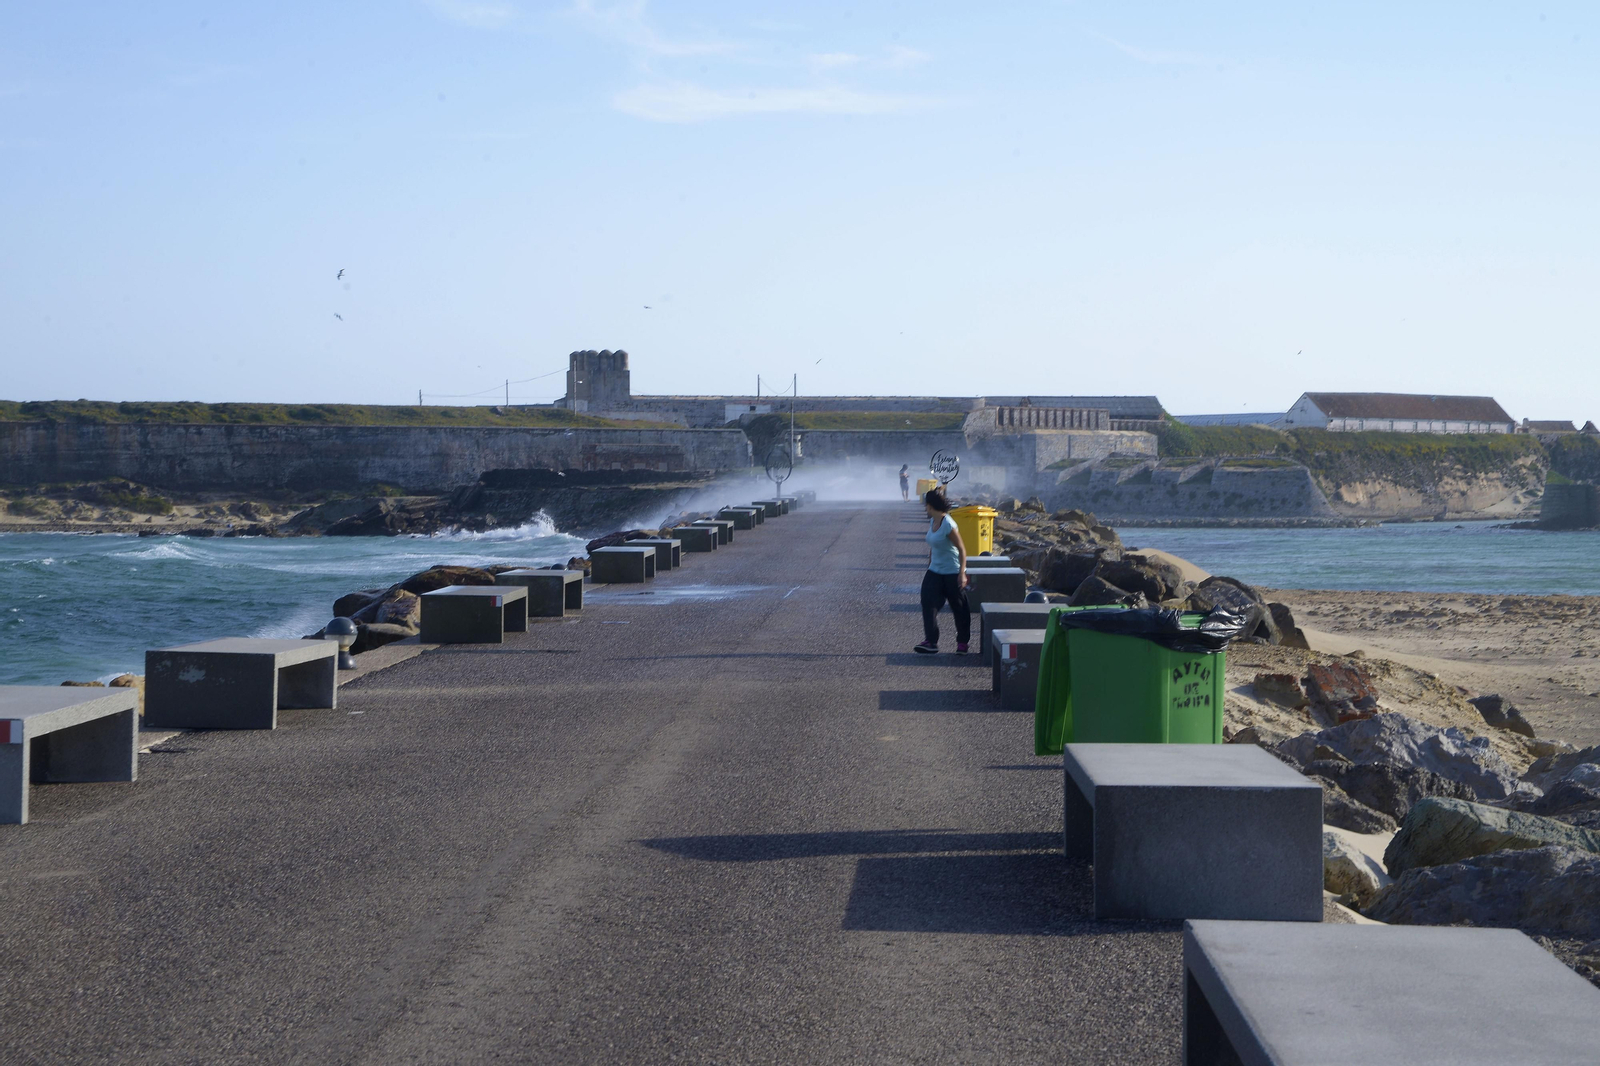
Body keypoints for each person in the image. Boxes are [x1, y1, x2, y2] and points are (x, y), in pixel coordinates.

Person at [914, 488, 970, 654]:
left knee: (959, 607)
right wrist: (930, 562)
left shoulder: (948, 524)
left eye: (926, 506)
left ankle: (962, 643)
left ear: (931, 506)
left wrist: (962, 573)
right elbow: (934, 545)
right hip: (935, 571)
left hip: (952, 571)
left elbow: (962, 549)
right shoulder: (933, 521)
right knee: (928, 602)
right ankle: (931, 642)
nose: (925, 509)